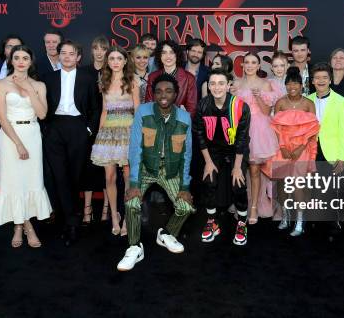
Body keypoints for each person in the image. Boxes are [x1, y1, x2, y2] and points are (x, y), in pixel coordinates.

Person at [117, 74, 194, 271]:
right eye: (159, 91)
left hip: (171, 170)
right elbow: (135, 149)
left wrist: (185, 186)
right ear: (153, 93)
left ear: (176, 94)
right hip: (145, 168)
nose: (163, 95)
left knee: (185, 207)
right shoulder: (143, 112)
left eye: (168, 90)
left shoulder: (184, 117)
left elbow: (187, 153)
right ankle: (135, 247)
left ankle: (167, 234)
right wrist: (134, 183)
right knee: (132, 203)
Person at [0, 45, 52, 248]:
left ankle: (23, 224)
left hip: (33, 135)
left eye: (25, 58)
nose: (20, 61)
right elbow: (1, 117)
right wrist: (18, 144)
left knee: (30, 180)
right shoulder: (1, 84)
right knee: (14, 181)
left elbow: (43, 114)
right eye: (16, 57)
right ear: (11, 60)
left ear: (30, 62)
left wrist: (28, 89)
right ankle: (24, 227)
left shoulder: (39, 85)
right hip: (10, 137)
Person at [43, 40, 100, 247]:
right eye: (63, 53)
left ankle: (71, 223)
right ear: (59, 56)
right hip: (55, 128)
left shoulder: (88, 78)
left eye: (71, 53)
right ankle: (68, 222)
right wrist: (46, 129)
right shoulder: (48, 78)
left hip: (78, 128)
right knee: (59, 176)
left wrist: (88, 131)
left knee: (75, 177)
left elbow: (96, 108)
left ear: (78, 57)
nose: (66, 57)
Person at [195, 68, 251, 245]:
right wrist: (208, 162)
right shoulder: (203, 105)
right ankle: (212, 222)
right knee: (209, 181)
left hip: (236, 151)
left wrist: (237, 167)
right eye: (213, 83)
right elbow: (200, 135)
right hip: (213, 151)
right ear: (208, 86)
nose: (217, 87)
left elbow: (242, 139)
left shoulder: (241, 106)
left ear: (228, 85)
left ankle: (242, 223)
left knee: (238, 184)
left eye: (221, 83)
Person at [91, 46, 140, 236]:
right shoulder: (103, 80)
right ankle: (114, 216)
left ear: (125, 61)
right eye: (111, 58)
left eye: (119, 58)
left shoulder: (133, 81)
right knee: (109, 177)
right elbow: (104, 110)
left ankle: (128, 217)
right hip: (108, 133)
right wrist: (99, 136)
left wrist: (137, 137)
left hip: (128, 130)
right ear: (107, 61)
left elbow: (137, 110)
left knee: (128, 176)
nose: (115, 62)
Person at [234, 53, 282, 223]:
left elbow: (266, 112)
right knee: (241, 169)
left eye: (253, 62)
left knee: (254, 170)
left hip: (258, 129)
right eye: (247, 62)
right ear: (242, 65)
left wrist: (258, 96)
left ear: (259, 65)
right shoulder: (237, 84)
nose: (250, 65)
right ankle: (244, 203)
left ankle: (253, 207)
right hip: (240, 128)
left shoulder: (266, 84)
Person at [306, 63, 344, 239]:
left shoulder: (341, 102)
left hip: (332, 154)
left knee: (333, 191)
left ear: (330, 80)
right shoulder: (307, 100)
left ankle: (334, 225)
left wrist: (343, 158)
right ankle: (316, 222)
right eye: (317, 78)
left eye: (325, 77)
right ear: (312, 81)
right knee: (315, 190)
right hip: (311, 153)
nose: (321, 81)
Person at [272, 67, 318, 236]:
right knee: (283, 185)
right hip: (282, 148)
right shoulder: (280, 103)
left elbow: (313, 130)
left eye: (295, 84)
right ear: (285, 85)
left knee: (298, 186)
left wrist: (300, 148)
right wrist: (283, 147)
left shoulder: (308, 104)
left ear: (302, 85)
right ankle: (285, 217)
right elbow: (276, 129)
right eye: (289, 84)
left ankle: (299, 221)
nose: (292, 87)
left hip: (302, 149)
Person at [80, 36, 109, 226]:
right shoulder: (83, 72)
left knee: (109, 168)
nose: (99, 52)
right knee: (88, 168)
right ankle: (87, 209)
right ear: (91, 51)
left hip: (109, 126)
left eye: (103, 48)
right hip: (89, 126)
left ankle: (107, 208)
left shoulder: (113, 70)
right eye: (96, 48)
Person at [0, 34, 24, 156]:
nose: (13, 49)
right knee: (2, 159)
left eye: (17, 46)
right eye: (9, 46)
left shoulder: (30, 70)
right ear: (4, 49)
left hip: (22, 122)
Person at [145, 40, 197, 117]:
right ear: (160, 56)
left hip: (180, 125)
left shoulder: (189, 78)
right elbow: (148, 105)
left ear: (177, 55)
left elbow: (191, 109)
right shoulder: (152, 77)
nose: (168, 56)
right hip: (156, 124)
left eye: (171, 52)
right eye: (164, 53)